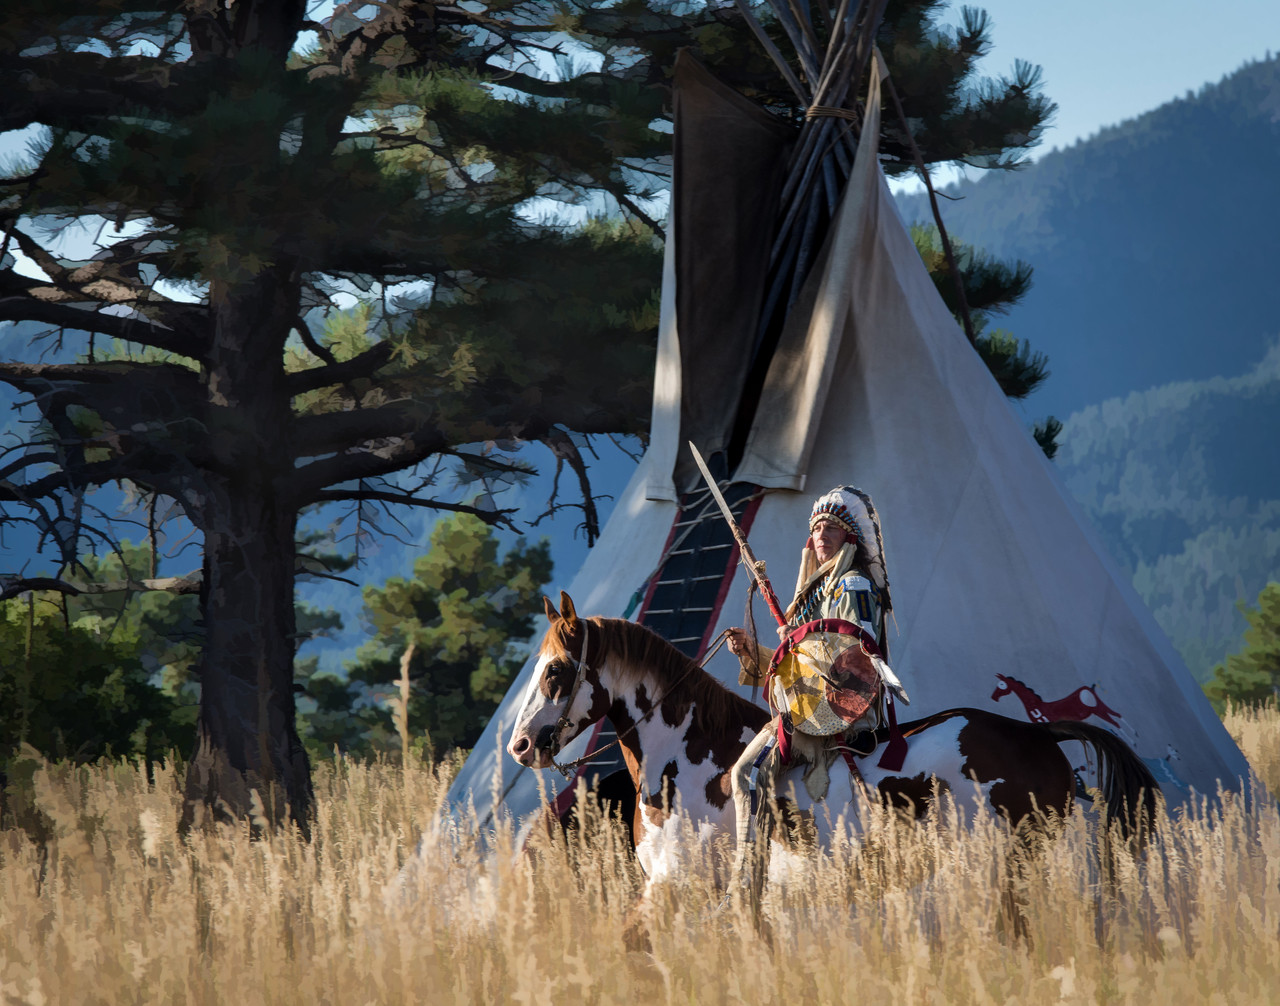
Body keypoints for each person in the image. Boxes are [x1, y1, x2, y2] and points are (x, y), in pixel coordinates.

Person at [725, 486, 907, 884]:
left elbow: (855, 659)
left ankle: (746, 887)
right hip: (811, 702)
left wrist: (805, 640)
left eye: (832, 527)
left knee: (744, 776)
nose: (821, 534)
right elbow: (796, 667)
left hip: (837, 712)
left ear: (849, 537)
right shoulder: (818, 589)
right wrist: (754, 650)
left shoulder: (853, 586)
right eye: (817, 527)